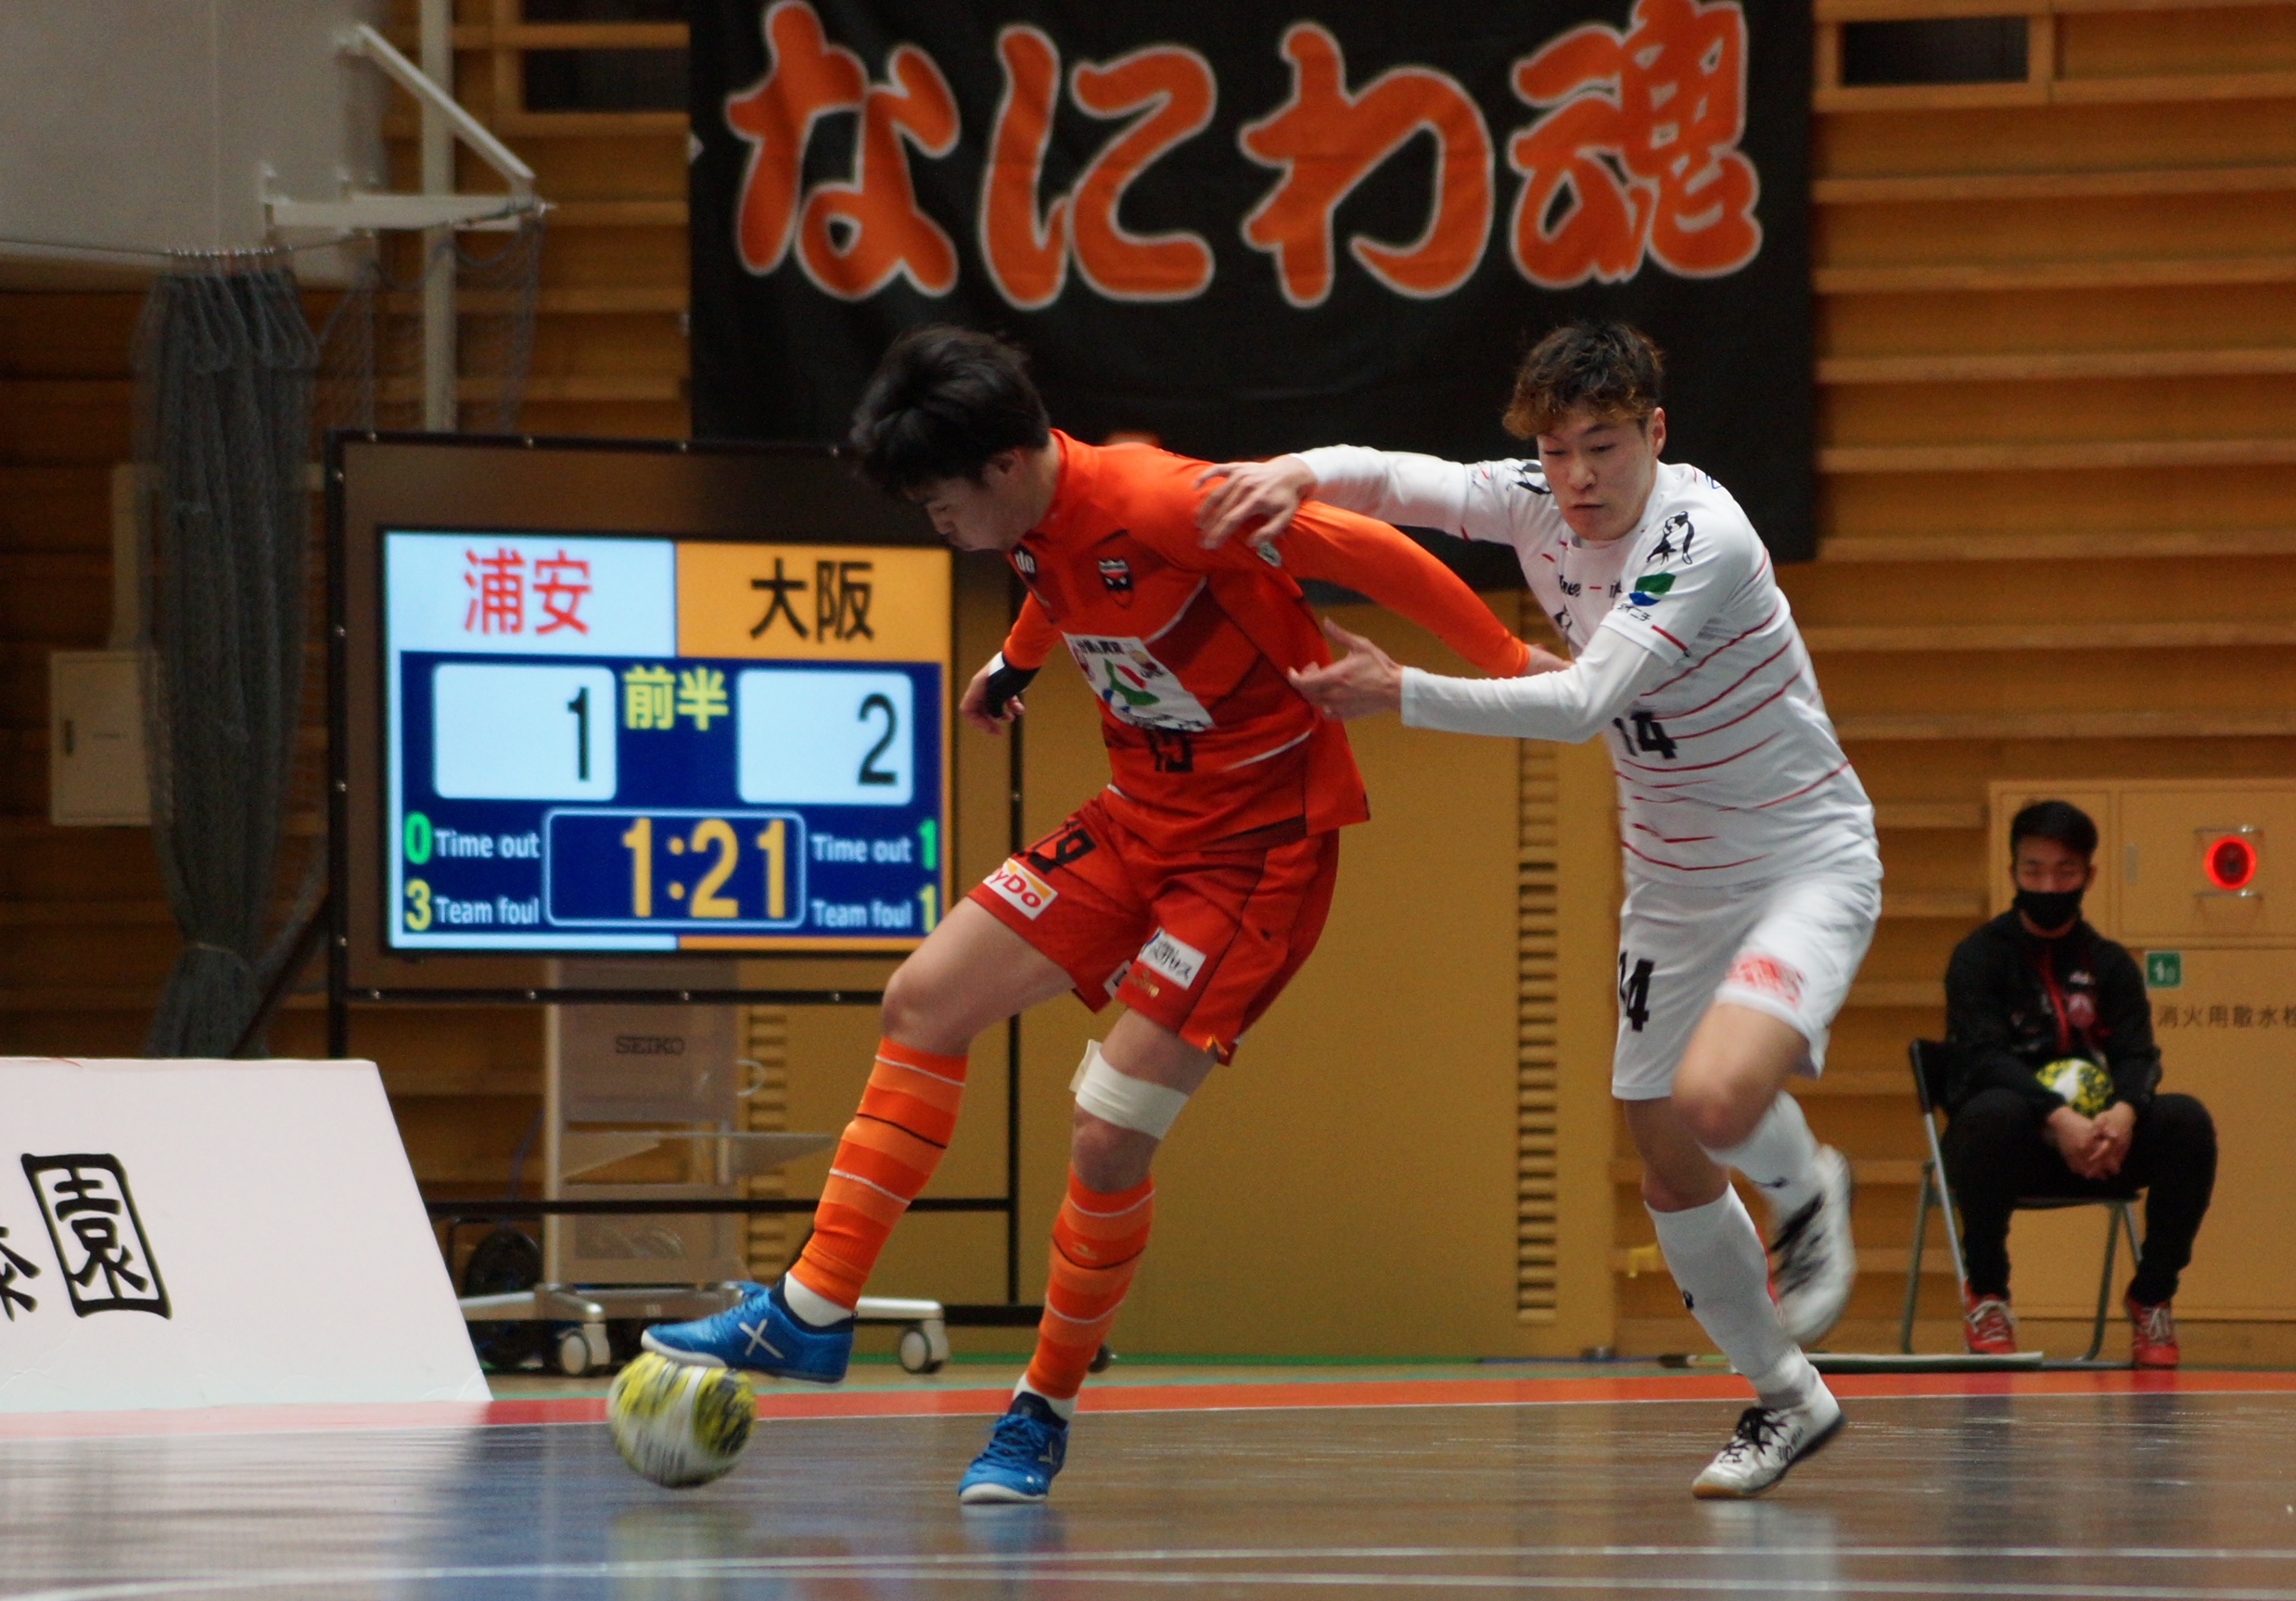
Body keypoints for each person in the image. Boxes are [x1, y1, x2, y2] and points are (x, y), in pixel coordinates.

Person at [644, 325, 1547, 1503]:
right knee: (923, 999)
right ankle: (809, 1311)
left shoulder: (1169, 502)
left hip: (1254, 854)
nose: (935, 522)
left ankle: (1041, 1407)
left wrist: (1510, 663)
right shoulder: (1029, 512)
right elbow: (1058, 580)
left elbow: (1367, 547)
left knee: (1108, 1129)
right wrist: (1017, 665)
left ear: (1005, 465)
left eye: (939, 500)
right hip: (1135, 822)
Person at [1198, 321, 1872, 1498]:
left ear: (1656, 432)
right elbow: (1408, 482)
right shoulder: (1539, 501)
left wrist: (1398, 690)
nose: (1578, 477)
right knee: (1666, 1155)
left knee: (1715, 1099)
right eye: (1558, 451)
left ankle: (1806, 1182)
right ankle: (1786, 1396)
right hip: (1671, 881)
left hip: (1798, 861)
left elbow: (1580, 704)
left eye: (1603, 446)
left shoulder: (1700, 537)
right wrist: (1293, 472)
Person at [1939, 799, 2217, 1366]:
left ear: (2088, 876)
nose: (2048, 885)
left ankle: (2152, 1295)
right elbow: (1984, 1056)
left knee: (2186, 1120)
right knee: (1992, 1112)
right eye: (2034, 870)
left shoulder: (2110, 964)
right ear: (2013, 872)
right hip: (2007, 1151)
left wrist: (2123, 1115)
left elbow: (2138, 1055)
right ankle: (1988, 1294)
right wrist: (2056, 1118)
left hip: (2099, 1149)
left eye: (2064, 871)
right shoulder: (1978, 958)